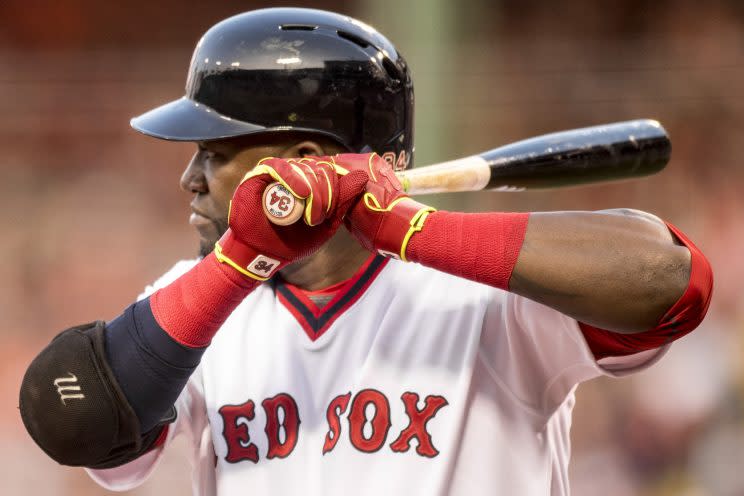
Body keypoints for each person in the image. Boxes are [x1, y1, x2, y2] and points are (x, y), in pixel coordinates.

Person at [19, 7, 712, 496]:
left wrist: (406, 229)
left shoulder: (487, 292)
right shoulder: (191, 303)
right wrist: (238, 263)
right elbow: (72, 420)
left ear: (305, 160)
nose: (189, 177)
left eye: (216, 151)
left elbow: (674, 283)